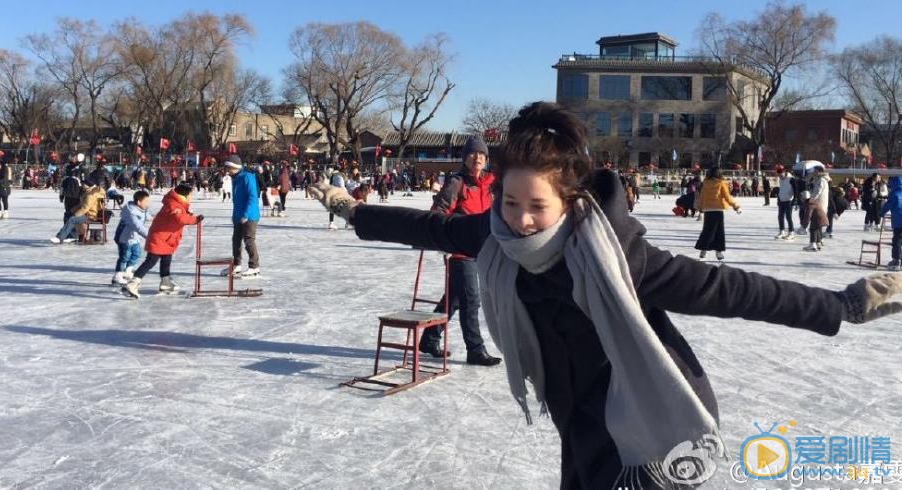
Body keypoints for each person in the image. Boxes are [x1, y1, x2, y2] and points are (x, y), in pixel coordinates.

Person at [309, 101, 902, 490]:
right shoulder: (492, 236)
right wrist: (354, 210)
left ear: (568, 203)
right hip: (578, 420)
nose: (518, 220)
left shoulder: (618, 257)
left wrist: (841, 305)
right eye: (510, 204)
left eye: (536, 206)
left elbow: (731, 290)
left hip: (646, 420)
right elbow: (428, 228)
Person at [419, 137, 502, 367]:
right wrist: (445, 242)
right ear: (465, 157)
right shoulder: (457, 183)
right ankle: (475, 350)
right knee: (471, 300)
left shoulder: (489, 183)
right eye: (473, 154)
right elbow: (438, 212)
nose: (478, 158)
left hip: (480, 250)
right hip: (459, 250)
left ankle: (429, 338)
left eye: (482, 155)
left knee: (454, 299)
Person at [121, 182, 202, 298]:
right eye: (190, 194)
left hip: (166, 238)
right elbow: (179, 218)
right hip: (160, 238)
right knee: (151, 261)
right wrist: (194, 219)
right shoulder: (174, 204)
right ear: (183, 195)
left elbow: (176, 216)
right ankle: (133, 283)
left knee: (166, 258)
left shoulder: (176, 203)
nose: (191, 197)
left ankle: (165, 282)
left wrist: (188, 214)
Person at [224, 154, 261, 277]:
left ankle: (254, 266)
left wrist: (246, 214)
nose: (227, 171)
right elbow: (237, 200)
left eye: (229, 168)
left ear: (235, 167)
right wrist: (235, 215)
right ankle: (236, 265)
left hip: (249, 216)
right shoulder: (235, 179)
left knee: (249, 240)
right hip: (238, 216)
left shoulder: (247, 177)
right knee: (236, 240)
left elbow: (252, 197)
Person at [695, 167, 741, 262]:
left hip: (707, 209)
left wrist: (700, 209)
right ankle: (718, 252)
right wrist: (735, 206)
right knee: (719, 232)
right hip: (718, 209)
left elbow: (701, 197)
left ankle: (703, 250)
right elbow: (727, 197)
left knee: (707, 230)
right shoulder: (721, 183)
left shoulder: (705, 183)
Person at [111, 190, 151, 286]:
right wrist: (150, 237)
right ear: (138, 202)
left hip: (133, 237)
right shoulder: (131, 212)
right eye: (146, 201)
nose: (147, 204)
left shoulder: (141, 209)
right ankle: (118, 276)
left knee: (136, 254)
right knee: (125, 256)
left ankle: (128, 272)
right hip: (124, 238)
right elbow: (138, 227)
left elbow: (147, 216)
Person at [804, 166, 830, 252]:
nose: (813, 173)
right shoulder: (817, 179)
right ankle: (818, 242)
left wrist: (811, 199)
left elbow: (818, 192)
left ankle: (813, 244)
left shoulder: (821, 180)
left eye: (815, 171)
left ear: (819, 171)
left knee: (814, 226)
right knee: (818, 226)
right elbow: (814, 190)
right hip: (819, 205)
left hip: (819, 205)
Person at [880, 177, 902, 270]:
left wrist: (881, 213)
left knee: (896, 240)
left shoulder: (894, 194)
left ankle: (896, 260)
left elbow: (888, 205)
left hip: (899, 221)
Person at [774, 167, 797, 240]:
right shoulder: (781, 180)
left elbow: (796, 190)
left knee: (788, 217)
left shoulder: (791, 179)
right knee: (780, 216)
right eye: (778, 175)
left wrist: (795, 200)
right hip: (781, 200)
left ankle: (791, 232)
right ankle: (782, 231)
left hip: (789, 200)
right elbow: (781, 190)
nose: (779, 177)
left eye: (780, 175)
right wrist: (778, 199)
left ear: (784, 172)